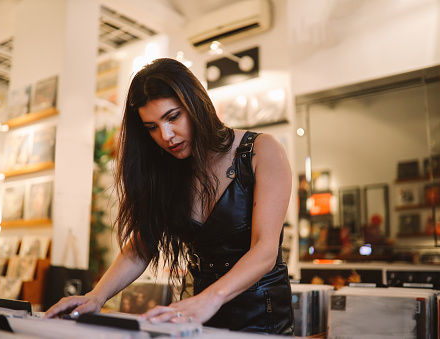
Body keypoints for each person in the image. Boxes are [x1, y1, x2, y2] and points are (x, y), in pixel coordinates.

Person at [44, 58, 294, 335]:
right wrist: (96, 296)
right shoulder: (167, 170)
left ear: (196, 104)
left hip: (260, 314)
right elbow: (140, 248)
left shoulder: (261, 150)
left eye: (172, 117)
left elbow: (265, 250)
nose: (166, 135)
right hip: (195, 310)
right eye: (151, 127)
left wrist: (209, 299)